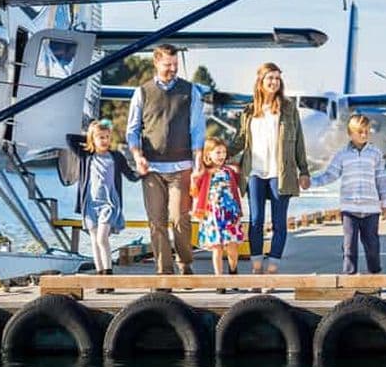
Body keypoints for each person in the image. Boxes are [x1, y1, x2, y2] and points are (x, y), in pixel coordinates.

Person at [126, 44, 205, 281]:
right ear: (156, 63)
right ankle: (164, 272)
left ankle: (185, 261)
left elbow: (197, 130)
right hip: (151, 167)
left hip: (181, 166)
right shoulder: (142, 92)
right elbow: (132, 130)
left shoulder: (190, 91)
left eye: (175, 65)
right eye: (167, 65)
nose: (172, 69)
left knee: (180, 218)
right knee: (156, 221)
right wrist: (138, 155)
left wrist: (198, 163)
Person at [231, 62, 310, 283]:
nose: (274, 82)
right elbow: (240, 140)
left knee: (279, 223)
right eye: (270, 78)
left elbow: (299, 142)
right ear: (261, 81)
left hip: (280, 172)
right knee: (256, 221)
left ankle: (272, 272)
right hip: (254, 171)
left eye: (277, 78)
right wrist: (217, 153)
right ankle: (257, 270)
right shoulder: (248, 110)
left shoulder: (288, 108)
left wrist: (304, 170)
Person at [310, 114, 386, 274]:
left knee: (372, 245)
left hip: (371, 209)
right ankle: (349, 276)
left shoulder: (375, 153)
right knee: (349, 246)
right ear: (350, 133)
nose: (364, 134)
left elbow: (381, 179)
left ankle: (374, 275)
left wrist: (385, 204)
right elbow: (329, 175)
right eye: (360, 131)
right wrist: (310, 182)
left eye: (367, 131)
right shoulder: (342, 155)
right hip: (349, 209)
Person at [68, 120, 141, 293]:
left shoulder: (116, 157)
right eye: (101, 137)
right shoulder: (86, 155)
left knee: (102, 238)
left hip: (109, 203)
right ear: (93, 139)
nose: (105, 140)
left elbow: (130, 175)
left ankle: (109, 276)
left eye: (107, 137)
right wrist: (89, 137)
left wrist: (143, 173)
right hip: (90, 204)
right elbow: (69, 139)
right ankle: (101, 279)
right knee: (94, 240)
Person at [192, 137, 245, 294]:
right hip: (212, 215)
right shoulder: (204, 173)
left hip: (230, 214)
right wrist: (194, 179)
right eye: (218, 152)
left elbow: (237, 188)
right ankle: (219, 280)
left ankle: (233, 271)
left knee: (232, 247)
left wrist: (238, 171)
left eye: (223, 152)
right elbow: (195, 192)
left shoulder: (229, 171)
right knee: (216, 248)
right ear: (208, 155)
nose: (222, 155)